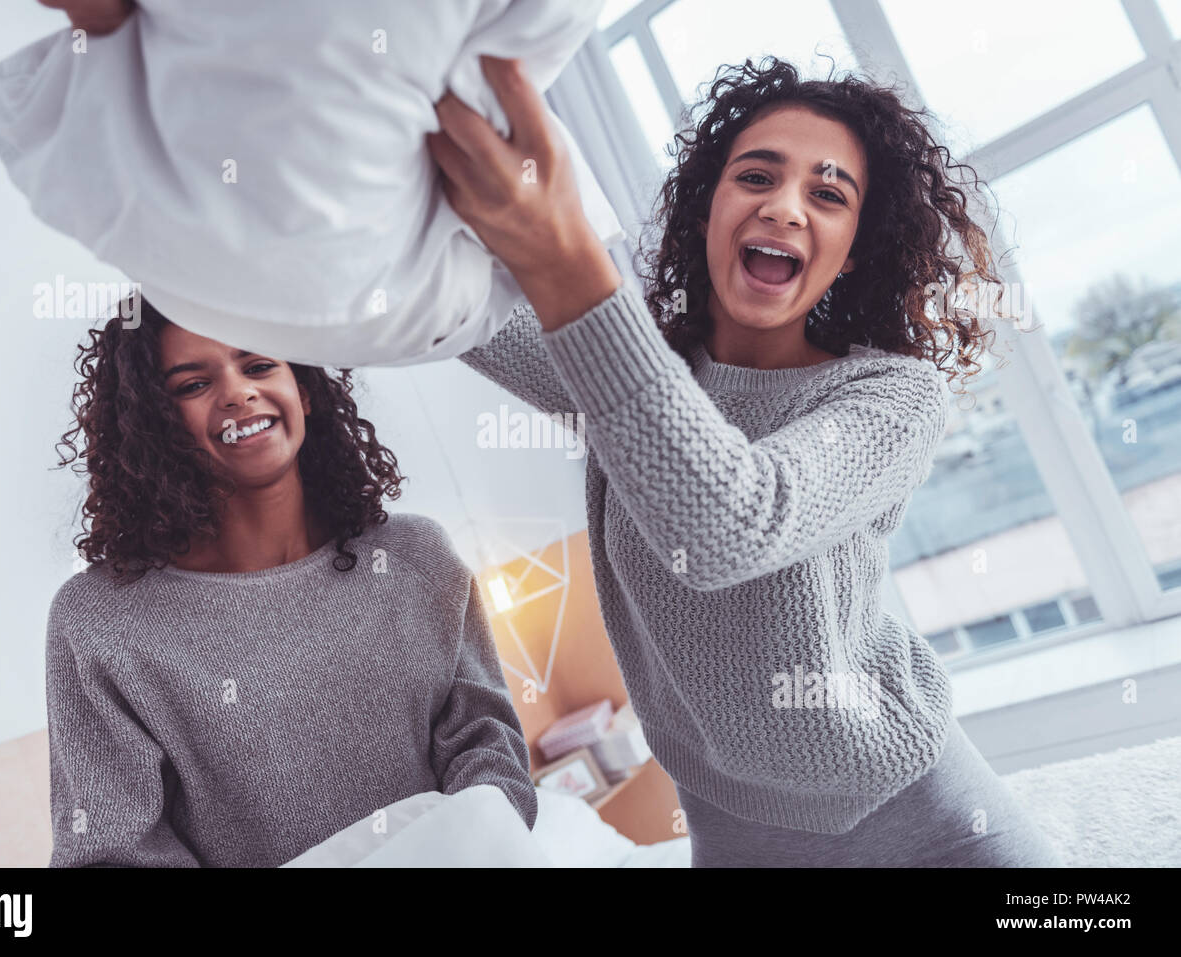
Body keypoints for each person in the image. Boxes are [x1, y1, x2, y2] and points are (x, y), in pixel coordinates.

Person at [432, 54, 1063, 867]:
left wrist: (563, 256)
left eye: (828, 194)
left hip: (924, 824)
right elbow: (443, 314)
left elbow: (733, 524)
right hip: (734, 836)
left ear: (855, 249)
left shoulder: (890, 396)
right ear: (708, 208)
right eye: (756, 175)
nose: (786, 206)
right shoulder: (635, 378)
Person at [46, 297, 536, 866]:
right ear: (155, 421)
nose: (237, 393)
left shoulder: (415, 558)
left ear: (303, 388)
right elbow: (115, 853)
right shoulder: (101, 622)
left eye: (257, 366)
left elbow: (486, 746)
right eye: (192, 384)